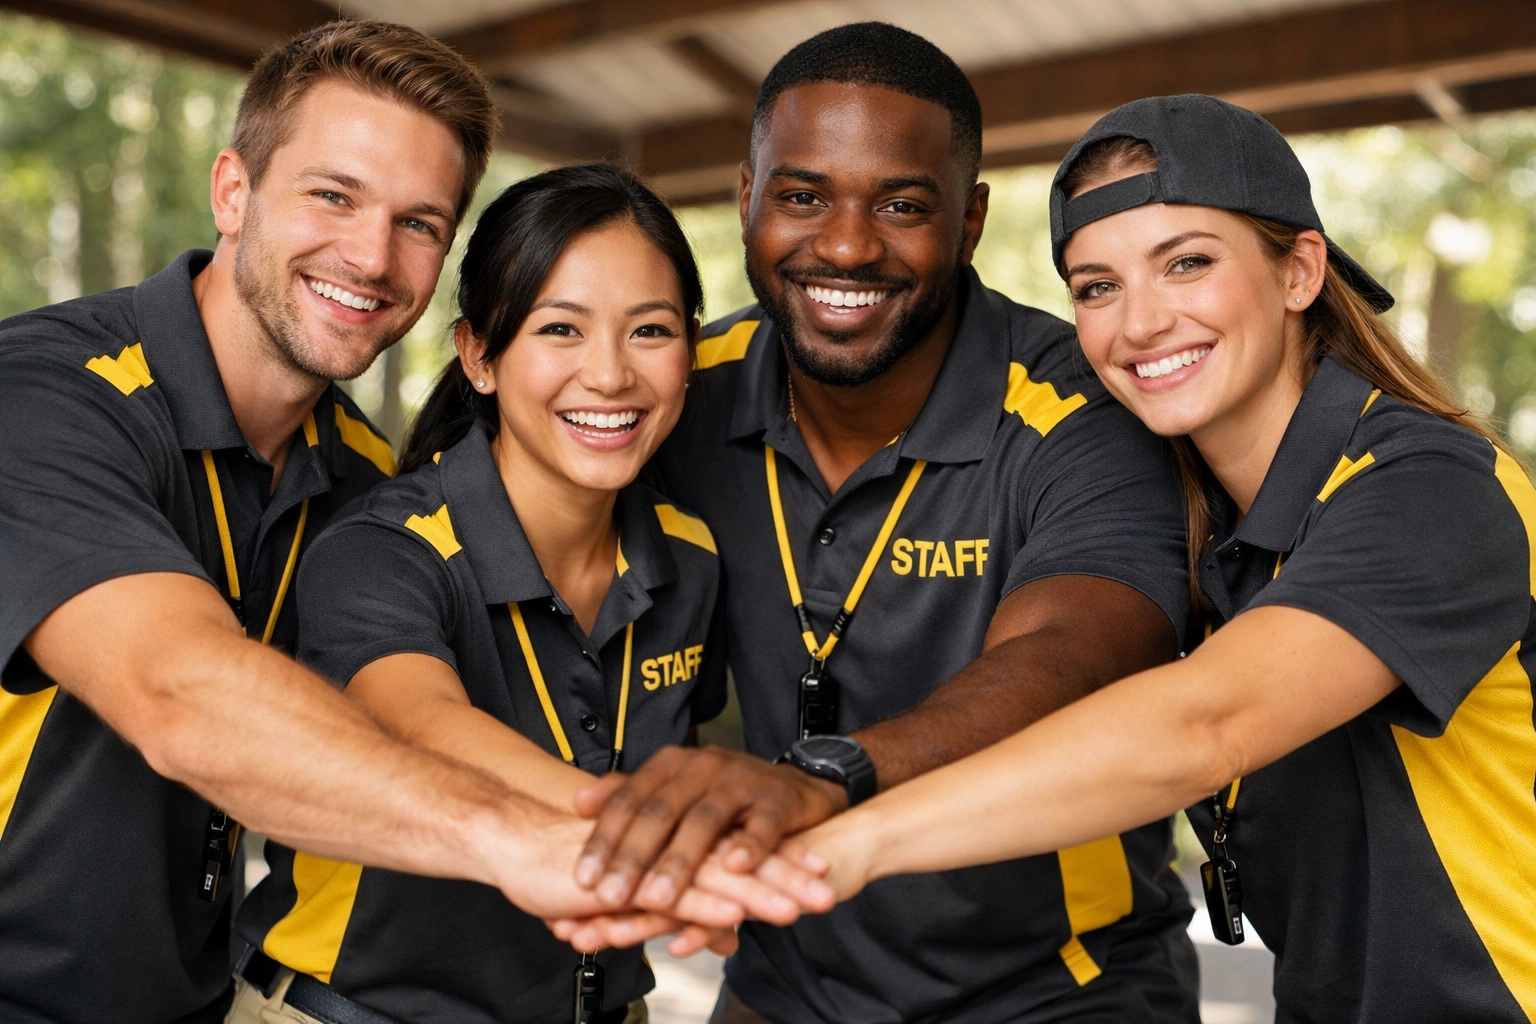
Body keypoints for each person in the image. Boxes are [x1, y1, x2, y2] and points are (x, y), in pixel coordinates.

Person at [0, 23, 754, 1024]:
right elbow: (177, 691)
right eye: (333, 194)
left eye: (419, 222)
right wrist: (542, 838)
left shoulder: (358, 471)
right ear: (232, 190)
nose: (369, 253)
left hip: (182, 994)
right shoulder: (47, 392)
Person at [751, 94, 1536, 1024]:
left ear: (1300, 273)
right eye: (1097, 287)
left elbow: (1204, 726)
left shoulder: (1426, 486)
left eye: (1188, 263)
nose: (1140, 323)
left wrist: (839, 835)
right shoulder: (1216, 523)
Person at [565, 23, 1203, 1024]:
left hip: (1057, 991)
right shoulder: (680, 391)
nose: (849, 244)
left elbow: (1070, 654)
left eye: (903, 205)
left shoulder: (1082, 410)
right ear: (746, 199)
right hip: (785, 982)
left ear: (972, 218)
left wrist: (832, 771)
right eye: (802, 196)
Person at [231, 164, 828, 1024]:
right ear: (479, 354)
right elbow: (424, 725)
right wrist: (670, 850)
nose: (612, 375)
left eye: (651, 330)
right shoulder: (381, 547)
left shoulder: (692, 556)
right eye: (561, 329)